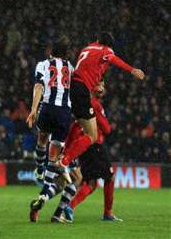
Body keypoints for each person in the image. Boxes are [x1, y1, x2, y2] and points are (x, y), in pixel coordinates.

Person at [55, 32, 145, 177]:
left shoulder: (88, 48)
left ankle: (64, 155)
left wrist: (96, 83)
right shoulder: (106, 50)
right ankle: (64, 161)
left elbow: (90, 69)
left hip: (72, 88)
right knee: (92, 135)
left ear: (97, 40)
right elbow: (112, 58)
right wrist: (132, 70)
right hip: (82, 90)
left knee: (79, 125)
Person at [26, 36, 79, 222]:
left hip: (47, 108)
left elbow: (39, 86)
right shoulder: (71, 68)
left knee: (42, 139)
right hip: (64, 112)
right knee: (54, 155)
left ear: (51, 51)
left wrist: (33, 110)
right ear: (66, 53)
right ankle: (44, 191)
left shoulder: (42, 64)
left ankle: (39, 169)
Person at [64, 81, 123, 222]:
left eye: (103, 85)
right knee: (110, 177)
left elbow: (75, 127)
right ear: (93, 88)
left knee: (91, 183)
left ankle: (70, 207)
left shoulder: (82, 103)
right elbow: (107, 129)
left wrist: (68, 147)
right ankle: (107, 213)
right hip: (96, 145)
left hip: (84, 146)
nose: (102, 88)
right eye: (99, 85)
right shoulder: (94, 104)